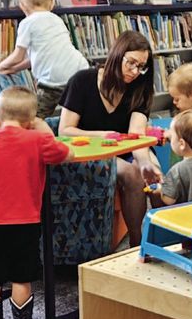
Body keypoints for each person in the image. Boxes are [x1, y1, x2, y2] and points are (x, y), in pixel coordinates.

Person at [0, 86, 73, 319]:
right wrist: (41, 129)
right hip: (25, 223)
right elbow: (65, 153)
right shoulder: (38, 141)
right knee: (21, 278)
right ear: (30, 122)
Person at [58, 30, 162, 247]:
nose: (135, 72)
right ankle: (137, 241)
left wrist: (144, 162)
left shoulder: (140, 88)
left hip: (126, 148)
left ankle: (166, 238)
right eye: (131, 63)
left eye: (141, 67)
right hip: (92, 150)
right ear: (117, 55)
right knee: (132, 174)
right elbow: (65, 130)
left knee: (156, 174)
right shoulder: (82, 81)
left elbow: (136, 134)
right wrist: (102, 135)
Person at [0, 0, 89, 118]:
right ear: (52, 2)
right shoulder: (57, 20)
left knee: (33, 118)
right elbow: (39, 56)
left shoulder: (27, 23)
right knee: (78, 115)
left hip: (53, 81)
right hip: (80, 73)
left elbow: (18, 56)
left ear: (22, 6)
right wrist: (15, 69)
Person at [150, 110, 192, 207]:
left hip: (186, 217)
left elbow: (169, 200)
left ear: (181, 144)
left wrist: (158, 190)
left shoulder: (177, 170)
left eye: (172, 136)